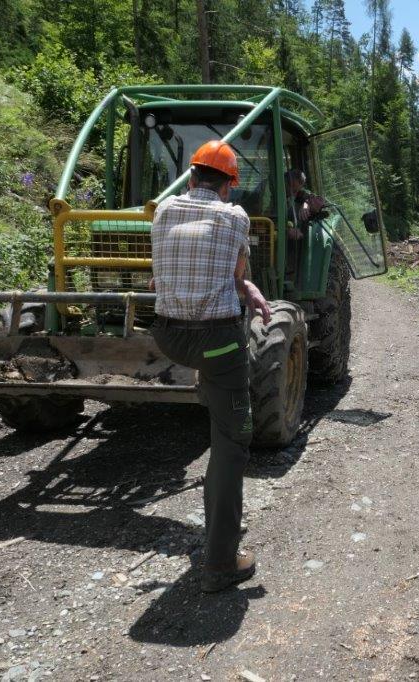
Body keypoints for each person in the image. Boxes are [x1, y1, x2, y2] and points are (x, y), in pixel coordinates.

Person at [150, 140, 271, 593]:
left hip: (167, 335)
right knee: (233, 441)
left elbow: (161, 276)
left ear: (192, 176)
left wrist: (243, 288)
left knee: (212, 376)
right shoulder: (234, 217)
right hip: (216, 342)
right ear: (228, 186)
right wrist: (250, 289)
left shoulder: (162, 211)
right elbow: (236, 274)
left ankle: (208, 386)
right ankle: (221, 562)